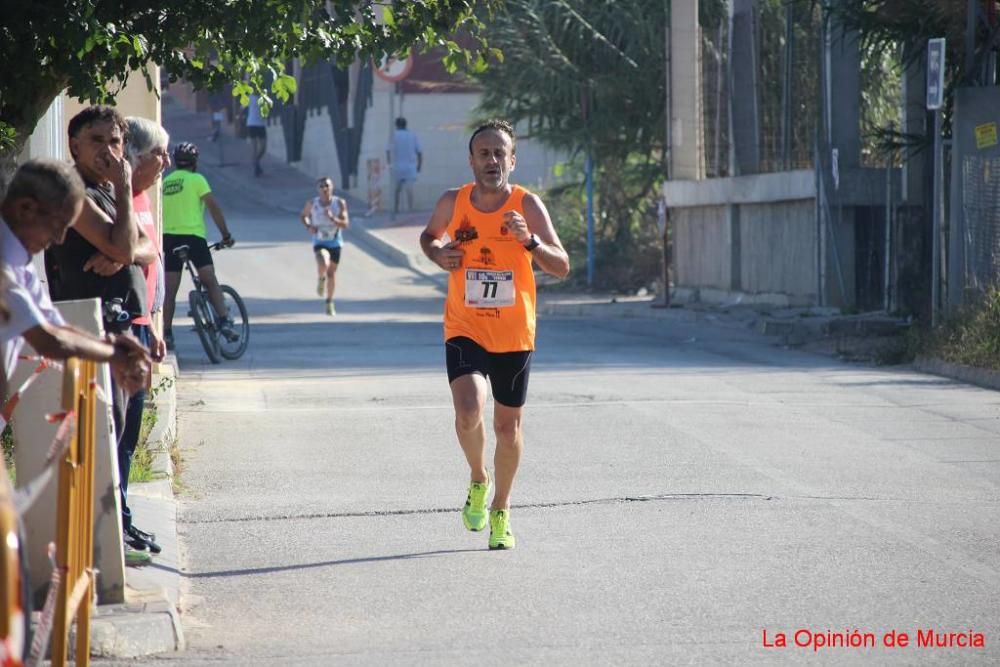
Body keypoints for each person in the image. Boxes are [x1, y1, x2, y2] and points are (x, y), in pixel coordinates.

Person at [419, 119, 570, 550]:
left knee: (508, 428)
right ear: (471, 160)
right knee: (468, 411)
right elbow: (429, 237)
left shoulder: (528, 205)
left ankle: (501, 508)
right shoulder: (454, 201)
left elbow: (562, 266)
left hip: (514, 334)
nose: (492, 160)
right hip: (465, 326)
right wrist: (439, 253)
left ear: (513, 160)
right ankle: (478, 478)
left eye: (499, 153)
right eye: (483, 153)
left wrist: (530, 243)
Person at [0, 159, 151, 425]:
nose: (58, 239)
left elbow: (55, 326)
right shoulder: (5, 262)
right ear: (26, 208)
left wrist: (111, 345)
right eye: (57, 225)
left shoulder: (19, 260)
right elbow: (50, 340)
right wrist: (114, 355)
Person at [116, 116, 171, 556]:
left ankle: (125, 519)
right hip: (120, 334)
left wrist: (153, 320)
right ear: (133, 156)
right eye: (158, 153)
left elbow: (150, 258)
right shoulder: (118, 200)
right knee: (116, 435)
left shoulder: (142, 198)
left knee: (130, 435)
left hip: (141, 328)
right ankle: (116, 525)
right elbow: (129, 253)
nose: (165, 161)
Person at [160, 142, 235, 350]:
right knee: (209, 280)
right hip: (193, 237)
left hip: (169, 239)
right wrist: (225, 235)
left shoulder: (165, 182)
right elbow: (213, 207)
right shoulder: (197, 179)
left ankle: (166, 333)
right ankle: (223, 320)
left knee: (170, 291)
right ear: (195, 162)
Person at [299, 177, 349, 315]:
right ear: (318, 189)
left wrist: (333, 218)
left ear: (332, 187)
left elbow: (345, 223)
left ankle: (329, 301)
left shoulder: (339, 203)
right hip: (320, 241)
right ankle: (321, 279)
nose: (324, 189)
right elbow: (303, 216)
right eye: (321, 186)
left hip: (335, 242)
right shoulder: (312, 203)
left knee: (331, 273)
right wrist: (309, 226)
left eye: (327, 186)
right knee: (322, 261)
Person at [385, 117, 422, 216]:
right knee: (409, 190)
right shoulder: (412, 135)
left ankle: (396, 209)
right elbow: (419, 152)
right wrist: (419, 165)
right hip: (410, 167)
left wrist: (389, 164)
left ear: (396, 125)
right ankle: (411, 209)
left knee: (397, 190)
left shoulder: (393, 136)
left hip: (397, 166)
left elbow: (388, 151)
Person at [245, 93, 267, 177]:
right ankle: (256, 168)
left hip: (261, 124)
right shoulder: (249, 97)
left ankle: (256, 162)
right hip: (252, 124)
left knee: (263, 147)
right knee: (254, 148)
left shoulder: (264, 97)